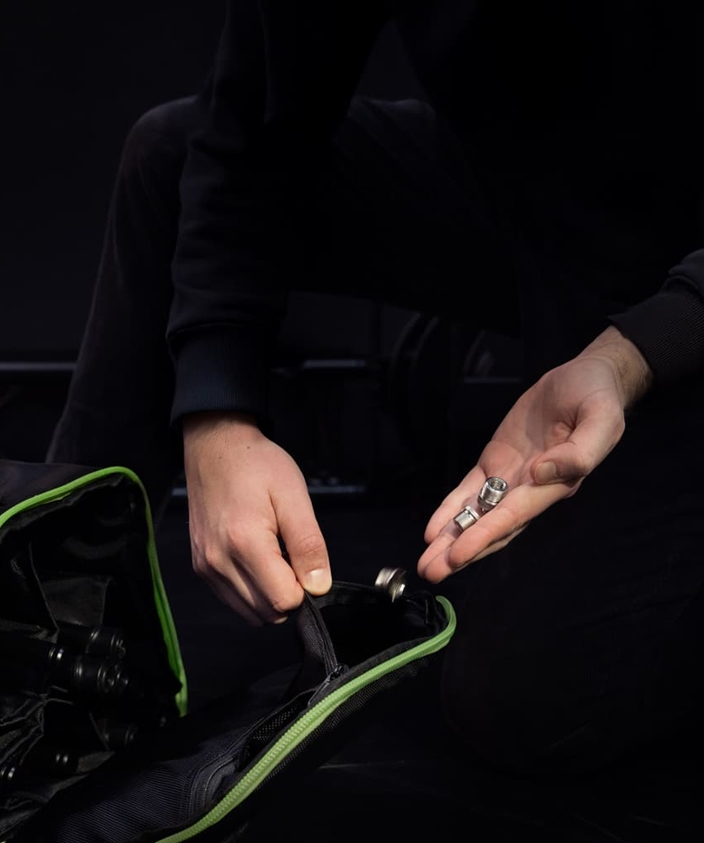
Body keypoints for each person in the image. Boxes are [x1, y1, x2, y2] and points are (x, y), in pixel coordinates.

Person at [48, 2, 704, 774]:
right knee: (171, 154)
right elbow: (249, 134)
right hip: (539, 208)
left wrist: (637, 352)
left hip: (685, 273)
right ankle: (42, 625)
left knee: (522, 699)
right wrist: (217, 416)